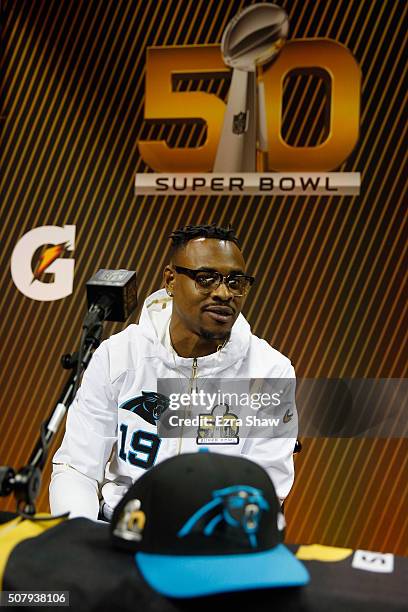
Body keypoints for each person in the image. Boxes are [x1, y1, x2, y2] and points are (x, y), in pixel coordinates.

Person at [50, 224, 297, 520]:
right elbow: (77, 467)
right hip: (117, 534)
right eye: (206, 279)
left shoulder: (269, 371)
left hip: (211, 545)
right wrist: (80, 543)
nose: (223, 293)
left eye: (235, 282)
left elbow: (266, 486)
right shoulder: (118, 355)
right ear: (170, 279)